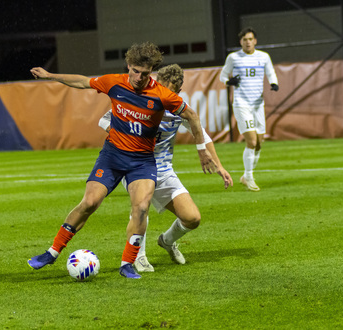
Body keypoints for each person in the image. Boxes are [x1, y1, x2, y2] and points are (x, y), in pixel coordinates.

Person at [27, 42, 217, 279]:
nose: (139, 77)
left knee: (141, 208)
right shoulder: (114, 82)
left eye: (145, 73)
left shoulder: (161, 95)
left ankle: (128, 263)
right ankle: (52, 252)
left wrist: (202, 150)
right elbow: (82, 81)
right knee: (90, 202)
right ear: (128, 66)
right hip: (112, 157)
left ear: (152, 71)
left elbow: (192, 115)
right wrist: (50, 75)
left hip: (142, 162)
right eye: (135, 71)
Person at [99, 64, 233, 272]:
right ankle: (138, 256)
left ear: (178, 93)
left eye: (168, 91)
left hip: (162, 170)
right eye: (160, 87)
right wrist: (123, 133)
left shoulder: (180, 110)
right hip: (134, 163)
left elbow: (202, 136)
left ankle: (167, 241)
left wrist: (220, 167)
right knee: (140, 207)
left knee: (192, 218)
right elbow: (104, 119)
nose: (162, 95)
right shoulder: (139, 98)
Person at [220, 27, 279, 191]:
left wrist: (274, 83)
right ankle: (249, 176)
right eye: (245, 39)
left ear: (255, 41)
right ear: (241, 42)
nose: (248, 42)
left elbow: (271, 72)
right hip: (242, 104)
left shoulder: (263, 57)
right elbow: (222, 75)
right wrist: (228, 82)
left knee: (260, 143)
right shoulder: (234, 57)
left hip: (258, 104)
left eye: (250, 39)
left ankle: (246, 176)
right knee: (251, 141)